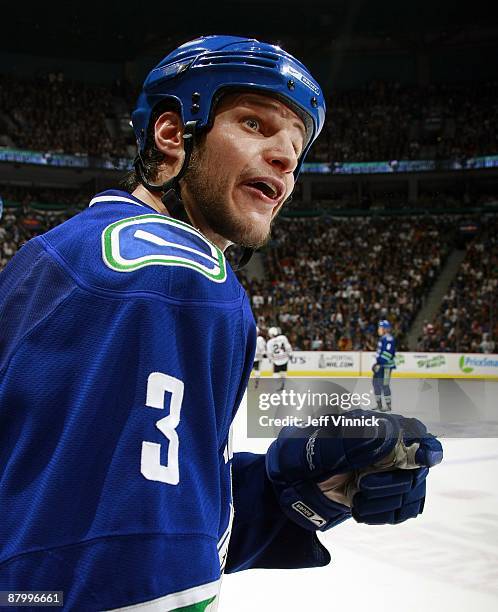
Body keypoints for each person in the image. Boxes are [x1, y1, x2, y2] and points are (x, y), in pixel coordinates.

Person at [0, 36, 442, 611]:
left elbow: (85, 504)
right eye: (255, 124)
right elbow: (136, 570)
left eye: (295, 144)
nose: (286, 156)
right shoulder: (179, 274)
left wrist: (308, 486)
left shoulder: (63, 252)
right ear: (171, 135)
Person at [372, 319, 396, 412]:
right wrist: (377, 363)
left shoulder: (389, 339)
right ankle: (379, 405)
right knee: (375, 384)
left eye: (380, 327)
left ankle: (388, 406)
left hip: (386, 366)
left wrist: (379, 363)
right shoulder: (383, 338)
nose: (378, 329)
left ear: (385, 329)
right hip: (380, 365)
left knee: (384, 384)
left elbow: (388, 354)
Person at [266, 326, 293, 390]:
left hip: (277, 360)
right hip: (285, 358)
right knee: (284, 373)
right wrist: (290, 354)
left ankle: (280, 383)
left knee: (275, 375)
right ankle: (283, 383)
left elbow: (269, 353)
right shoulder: (283, 337)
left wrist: (270, 359)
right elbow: (288, 347)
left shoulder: (269, 342)